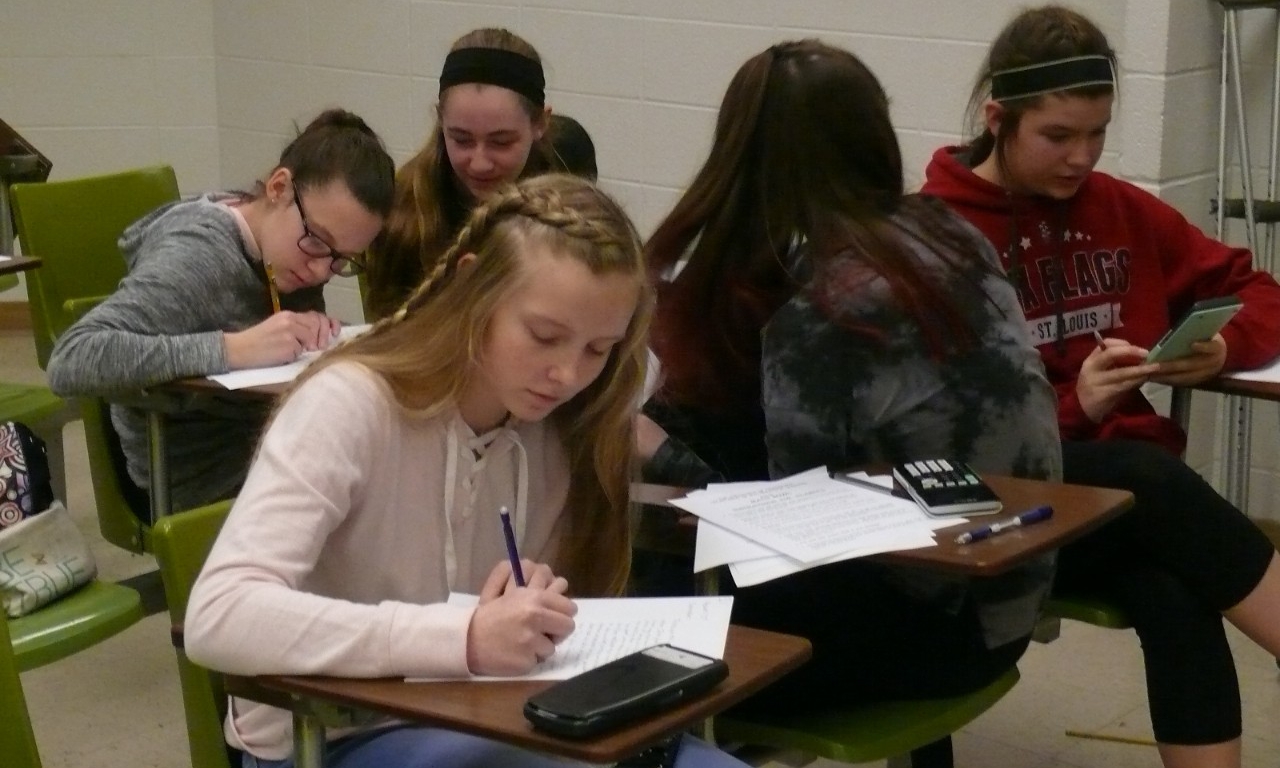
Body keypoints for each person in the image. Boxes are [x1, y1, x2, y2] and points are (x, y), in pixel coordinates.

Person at [183, 173, 749, 768]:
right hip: (338, 735)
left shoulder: (562, 424)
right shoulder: (349, 402)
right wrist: (464, 637)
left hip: (501, 716)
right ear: (472, 285)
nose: (568, 374)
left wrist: (532, 619)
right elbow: (220, 615)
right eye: (545, 335)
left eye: (598, 349)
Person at [644, 39, 1061, 718]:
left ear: (743, 155)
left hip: (926, 629)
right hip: (1008, 604)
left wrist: (645, 446)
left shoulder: (829, 305)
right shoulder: (948, 234)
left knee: (637, 601)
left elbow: (789, 526)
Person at [921, 7, 1280, 767]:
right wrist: (1071, 405)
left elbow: (1259, 292)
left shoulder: (1118, 208)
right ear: (998, 120)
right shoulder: (936, 236)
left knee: (1172, 583)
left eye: (1097, 134)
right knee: (1148, 477)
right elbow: (928, 434)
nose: (1081, 157)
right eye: (1057, 136)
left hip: (1109, 504)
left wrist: (1216, 350)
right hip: (998, 497)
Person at [47, 108, 395, 514]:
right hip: (198, 484)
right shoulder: (198, 254)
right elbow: (71, 358)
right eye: (318, 241)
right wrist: (234, 349)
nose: (322, 269)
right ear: (279, 187)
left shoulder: (287, 251)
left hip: (272, 456)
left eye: (342, 260)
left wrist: (310, 332)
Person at [364, 28, 562, 320]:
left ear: (540, 123)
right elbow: (387, 332)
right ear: (440, 120)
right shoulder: (404, 210)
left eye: (501, 142)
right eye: (461, 140)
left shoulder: (567, 199)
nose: (479, 163)